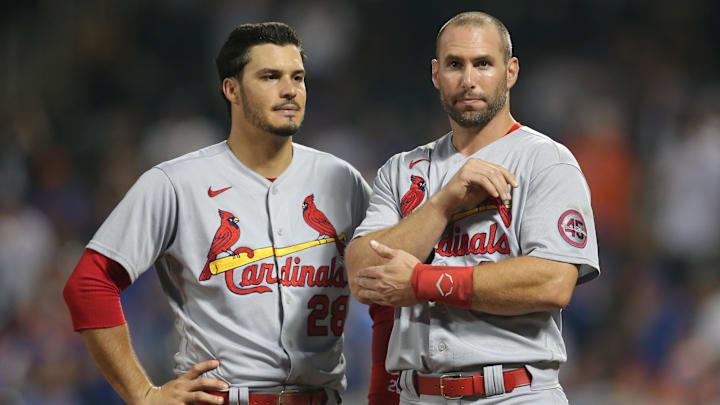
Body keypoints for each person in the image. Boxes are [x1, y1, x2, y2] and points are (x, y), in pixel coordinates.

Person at [63, 22, 371, 405]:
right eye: (270, 76)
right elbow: (89, 285)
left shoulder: (344, 180)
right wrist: (142, 394)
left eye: (298, 77)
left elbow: (392, 283)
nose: (290, 89)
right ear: (232, 89)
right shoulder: (177, 183)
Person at [346, 11, 600, 404]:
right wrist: (444, 201)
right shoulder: (401, 170)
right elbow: (363, 273)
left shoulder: (545, 160)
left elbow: (553, 282)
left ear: (510, 71)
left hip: (514, 392)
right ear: (435, 74)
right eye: (454, 65)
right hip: (419, 394)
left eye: (483, 64)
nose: (468, 80)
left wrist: (422, 282)